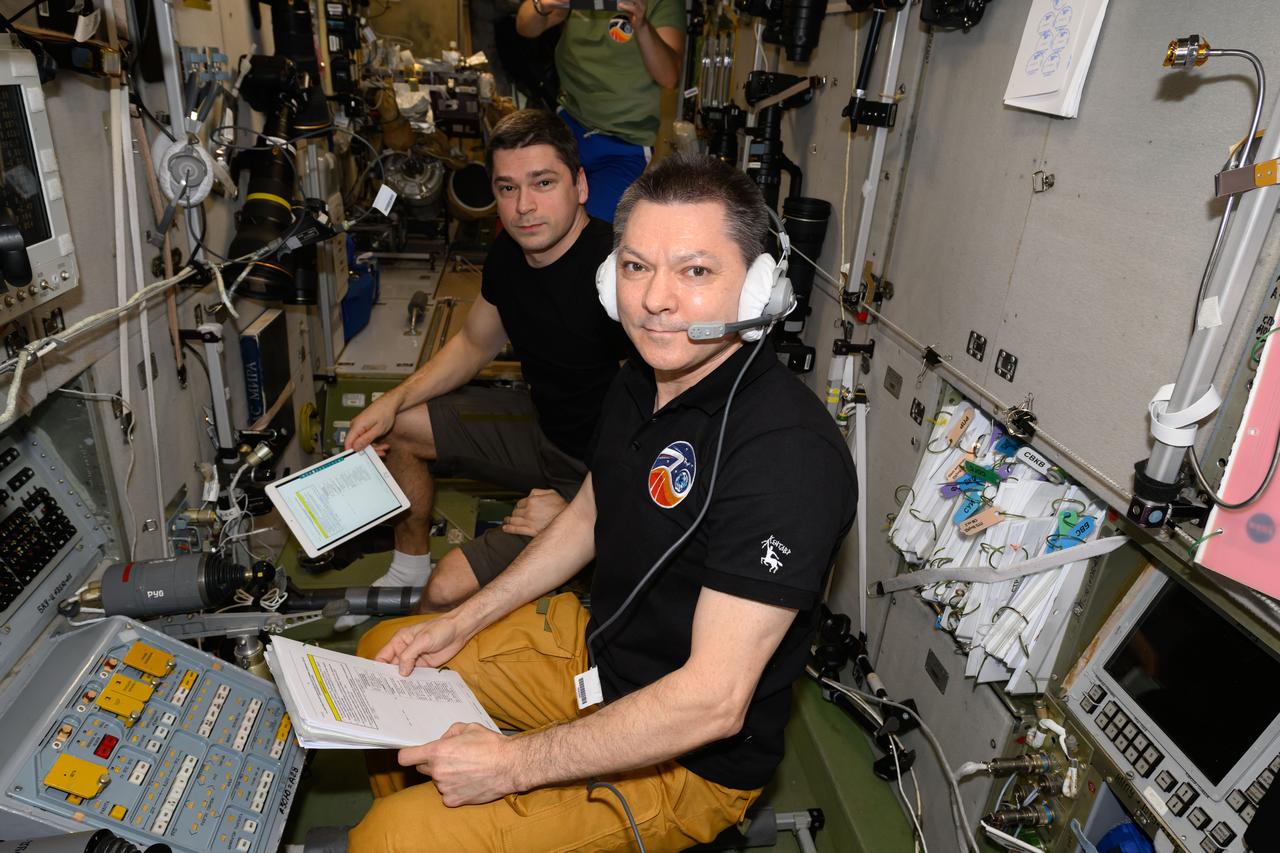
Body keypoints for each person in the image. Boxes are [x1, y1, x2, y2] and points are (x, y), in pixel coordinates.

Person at [346, 154, 858, 851]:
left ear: (761, 290)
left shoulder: (787, 455)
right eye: (638, 266)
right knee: (386, 664)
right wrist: (460, 621)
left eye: (696, 271)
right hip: (599, 660)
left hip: (688, 759)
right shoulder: (640, 380)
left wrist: (511, 765)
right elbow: (588, 513)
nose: (655, 299)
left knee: (391, 839)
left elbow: (712, 699)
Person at [337, 109, 631, 625]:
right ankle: (407, 567)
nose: (524, 207)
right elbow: (474, 344)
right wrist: (393, 400)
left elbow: (662, 433)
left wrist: (585, 515)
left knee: (448, 591)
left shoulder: (620, 278)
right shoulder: (509, 256)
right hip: (543, 427)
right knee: (401, 427)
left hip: (602, 471)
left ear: (580, 185)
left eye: (543, 183)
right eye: (508, 188)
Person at [515, 0, 685, 223]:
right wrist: (541, 5)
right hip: (570, 124)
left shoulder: (662, 4)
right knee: (538, 211)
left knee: (591, 230)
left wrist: (642, 25)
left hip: (624, 143)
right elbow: (525, 27)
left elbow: (669, 76)